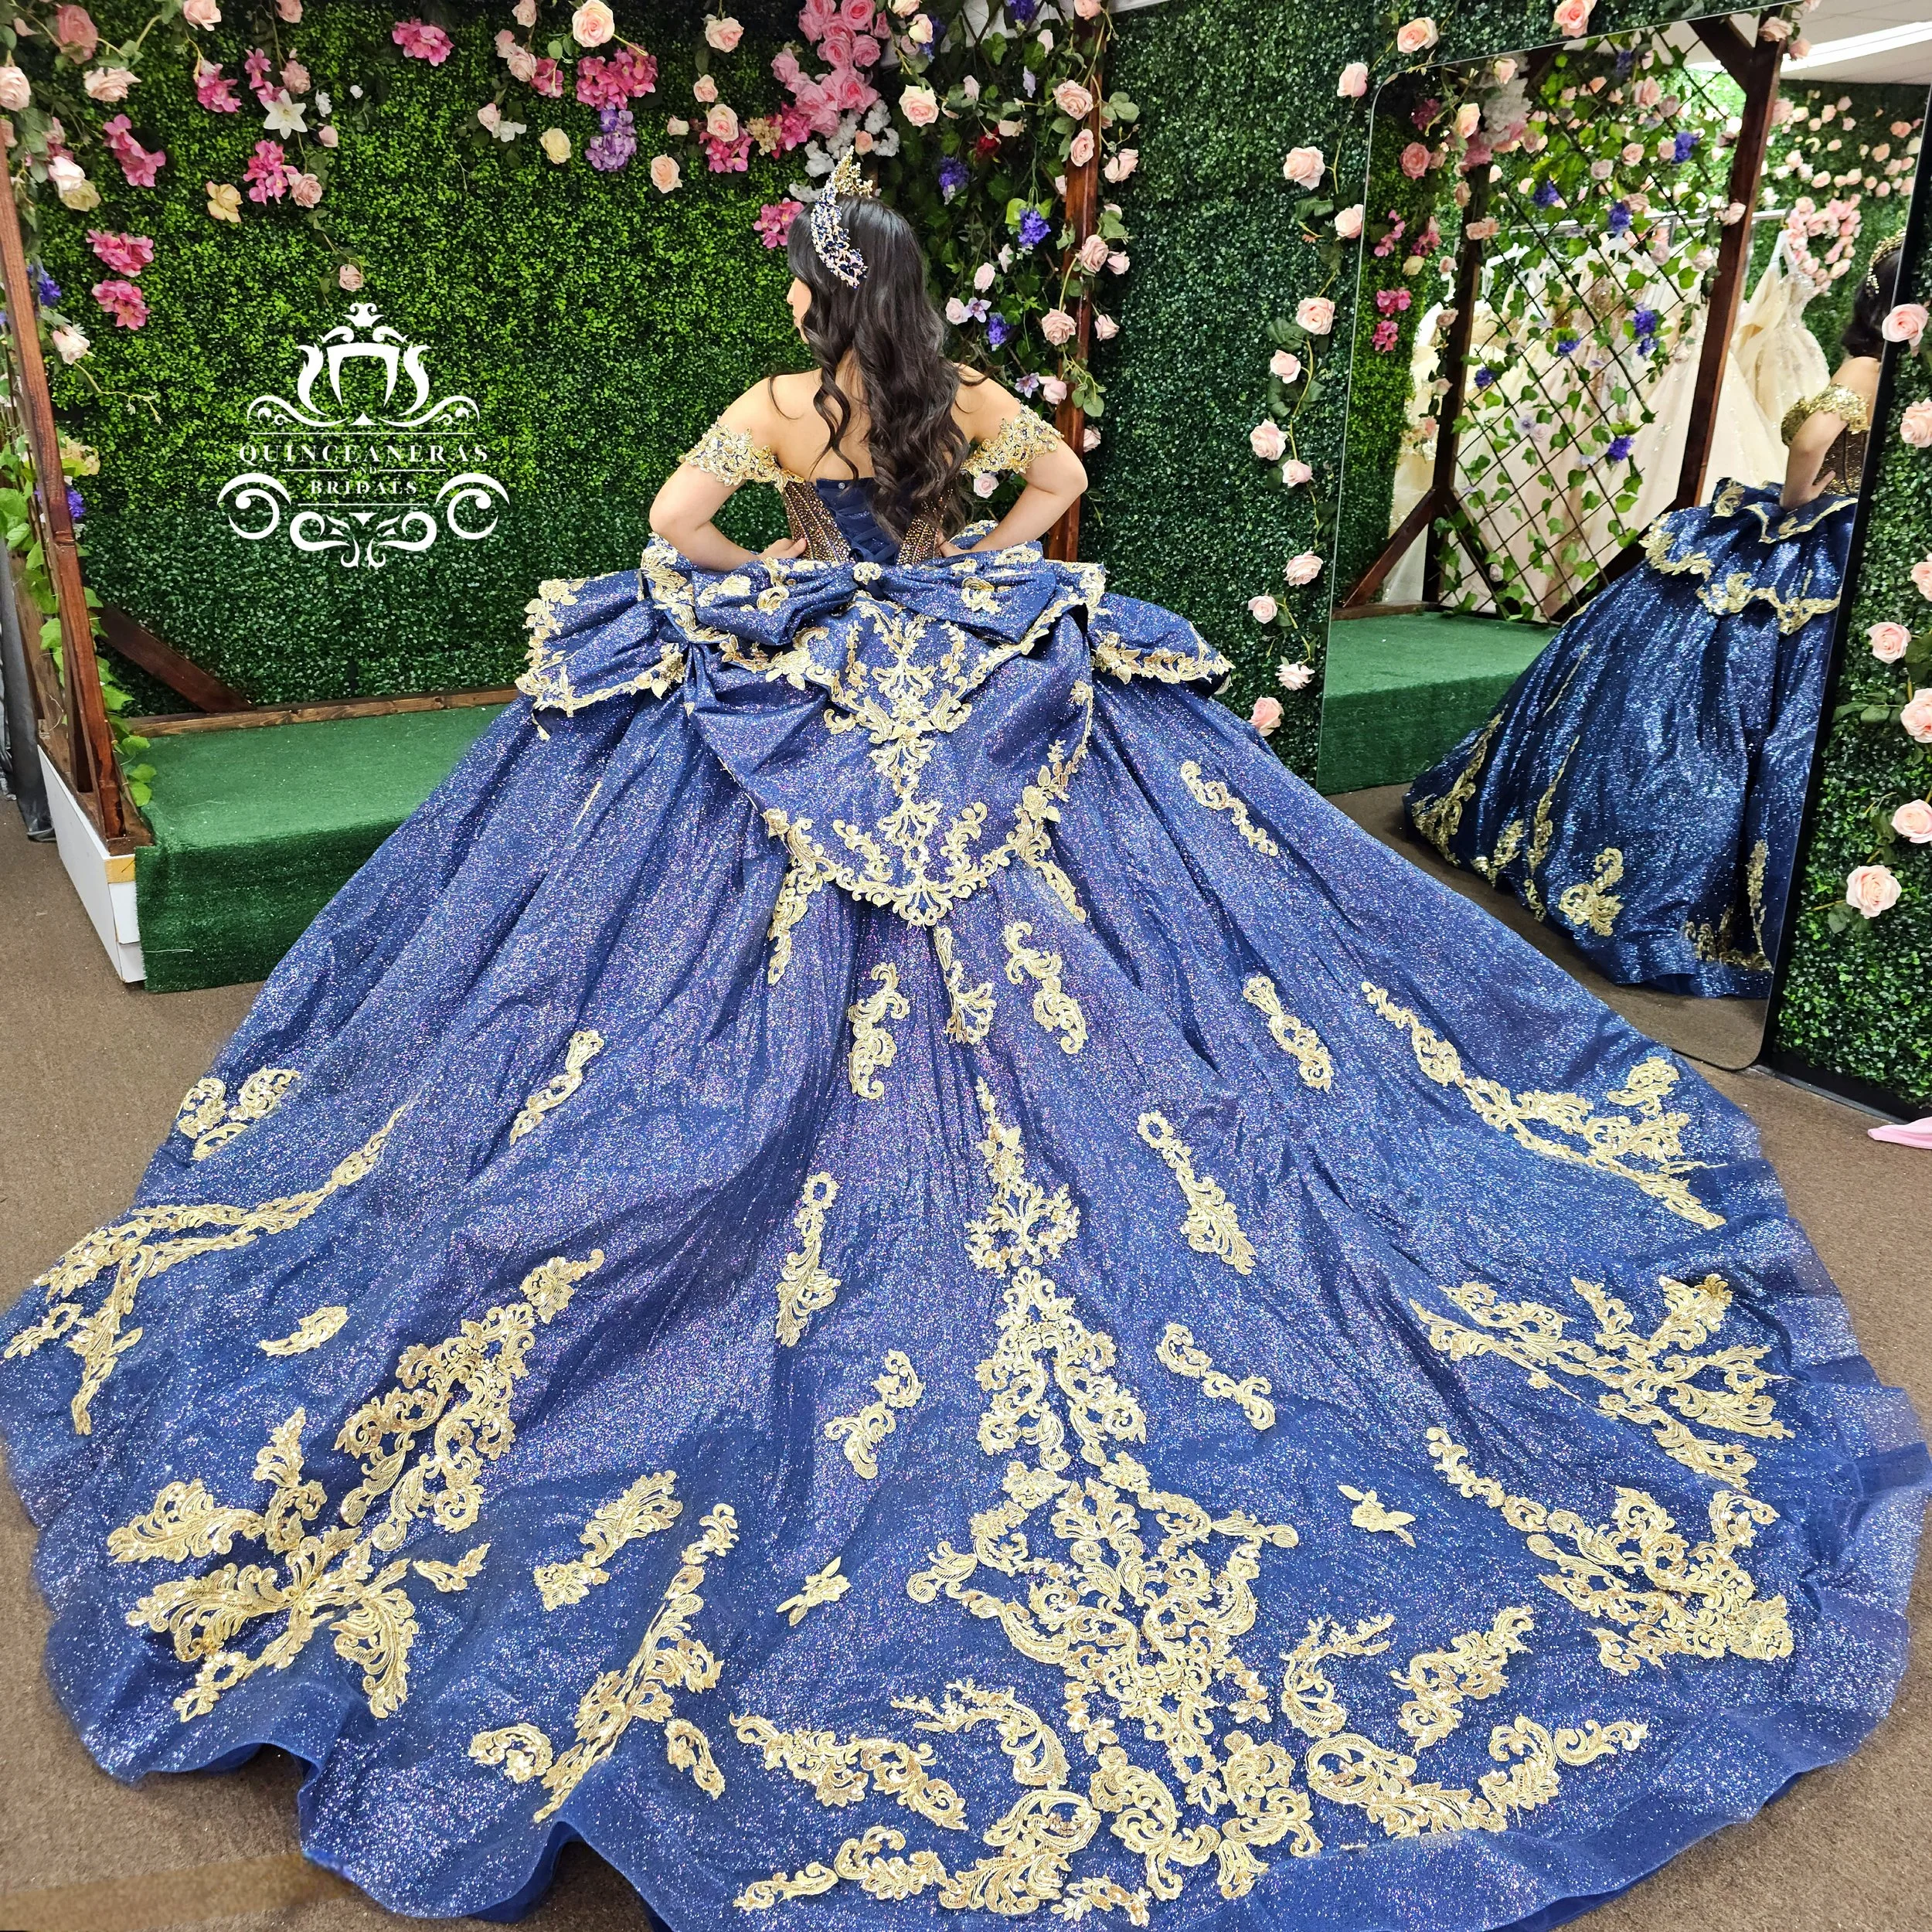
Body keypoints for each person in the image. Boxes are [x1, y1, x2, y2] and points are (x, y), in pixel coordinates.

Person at [3, 159, 1922, 1932]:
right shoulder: (977, 400)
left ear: (816, 299)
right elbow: (1063, 480)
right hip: (983, 662)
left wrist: (786, 583)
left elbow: (675, 534)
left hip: (829, 667)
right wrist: (974, 561)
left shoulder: (779, 412)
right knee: (1172, 977)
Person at [1405, 232, 1902, 998]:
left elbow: (1810, 439)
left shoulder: (1865, 365)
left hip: (1810, 527)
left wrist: (1797, 501)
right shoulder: (1900, 380)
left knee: (1685, 697)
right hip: (1844, 539)